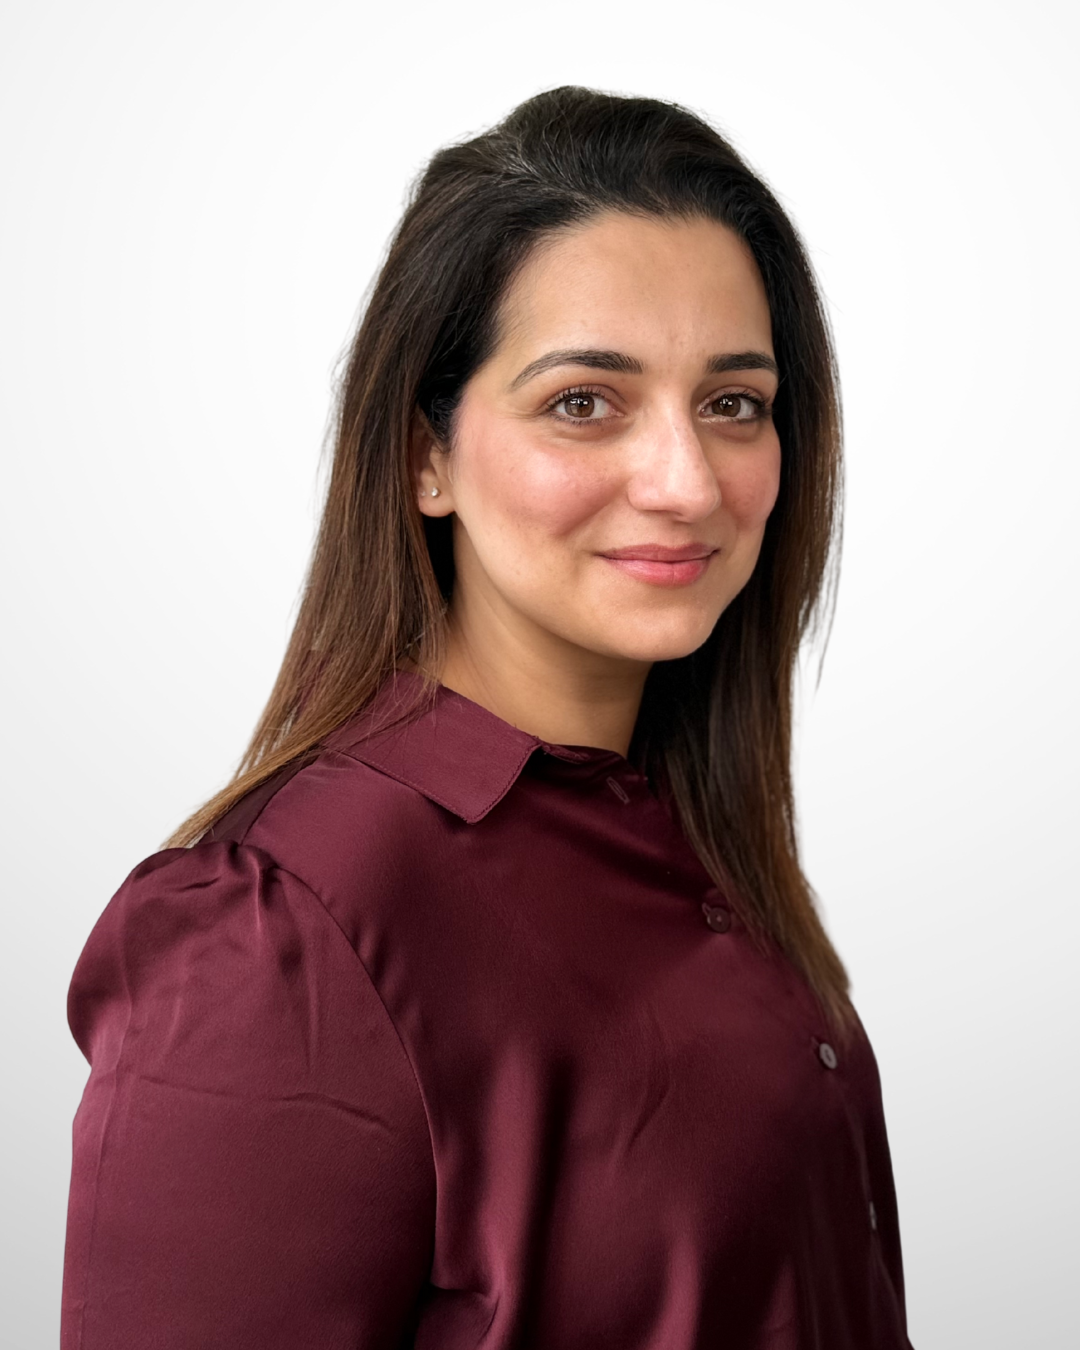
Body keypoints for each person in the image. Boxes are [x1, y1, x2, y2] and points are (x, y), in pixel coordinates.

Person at [61, 85, 914, 1348]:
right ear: (426, 454)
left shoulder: (692, 835)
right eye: (585, 401)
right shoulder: (278, 941)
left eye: (734, 402)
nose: (686, 481)